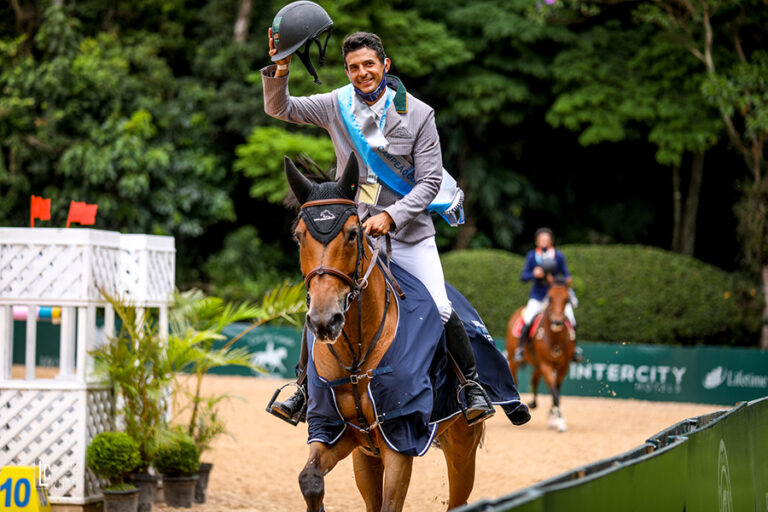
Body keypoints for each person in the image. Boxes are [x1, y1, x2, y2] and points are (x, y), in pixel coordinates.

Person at [262, 22, 494, 425]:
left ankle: (469, 385)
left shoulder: (419, 114)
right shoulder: (337, 105)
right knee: (321, 298)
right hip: (355, 232)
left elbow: (431, 182)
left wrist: (394, 215)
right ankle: (301, 389)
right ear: (347, 71)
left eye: (369, 64)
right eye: (353, 67)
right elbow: (280, 108)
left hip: (410, 233)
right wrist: (280, 66)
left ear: (384, 64)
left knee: (439, 307)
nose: (362, 72)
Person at [513, 228, 583, 363]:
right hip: (538, 295)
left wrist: (561, 280)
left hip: (556, 296)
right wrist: (534, 273)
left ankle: (574, 350)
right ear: (537, 242)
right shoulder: (532, 256)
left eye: (546, 239)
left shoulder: (559, 255)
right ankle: (520, 349)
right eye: (541, 239)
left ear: (551, 241)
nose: (544, 241)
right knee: (528, 319)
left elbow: (567, 275)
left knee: (571, 319)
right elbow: (523, 277)